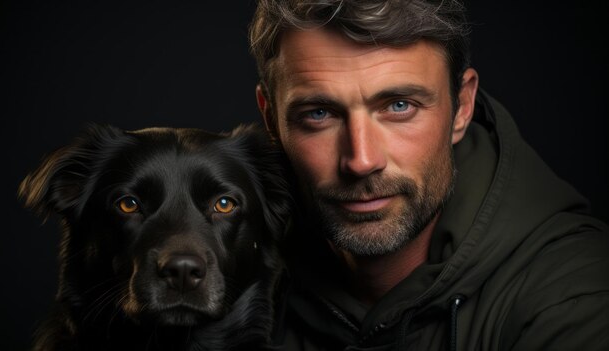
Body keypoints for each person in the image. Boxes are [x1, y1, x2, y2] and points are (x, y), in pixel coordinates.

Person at [248, 0, 609, 350]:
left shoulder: (572, 294)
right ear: (271, 120)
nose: (361, 160)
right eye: (319, 113)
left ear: (462, 107)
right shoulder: (231, 276)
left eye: (399, 106)